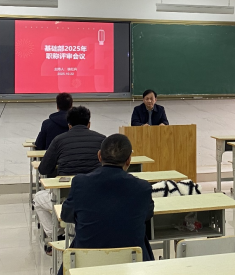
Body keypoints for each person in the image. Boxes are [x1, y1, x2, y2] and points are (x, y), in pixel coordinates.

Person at [57, 134, 154, 275]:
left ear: (99, 156)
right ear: (129, 160)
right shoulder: (142, 187)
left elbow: (66, 215)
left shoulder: (80, 183)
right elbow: (147, 214)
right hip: (131, 264)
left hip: (87, 264)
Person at [34, 105, 105, 246]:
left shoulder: (59, 140)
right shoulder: (102, 139)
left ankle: (57, 236)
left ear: (69, 125)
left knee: (37, 198)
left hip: (67, 198)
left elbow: (43, 168)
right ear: (89, 124)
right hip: (98, 196)